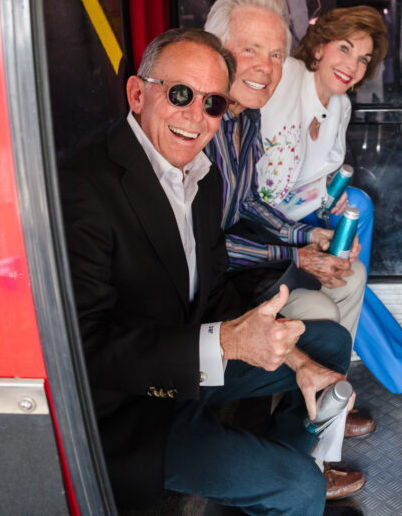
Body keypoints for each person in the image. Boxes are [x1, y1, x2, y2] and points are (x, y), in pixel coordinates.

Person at [60, 28, 354, 514]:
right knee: (303, 488)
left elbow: (211, 289)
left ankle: (270, 460)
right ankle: (279, 478)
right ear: (138, 93)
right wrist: (225, 343)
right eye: (180, 95)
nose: (196, 117)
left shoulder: (202, 175)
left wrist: (294, 359)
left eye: (213, 103)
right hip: (133, 410)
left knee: (329, 346)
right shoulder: (85, 188)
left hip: (193, 370)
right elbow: (84, 353)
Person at [258, 5, 402, 423]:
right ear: (318, 47)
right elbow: (265, 185)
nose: (352, 66)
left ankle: (345, 327)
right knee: (347, 270)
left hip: (308, 215)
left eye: (363, 59)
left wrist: (331, 194)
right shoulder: (285, 86)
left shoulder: (339, 106)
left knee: (357, 204)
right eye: (344, 48)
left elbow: (324, 172)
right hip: (271, 228)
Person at [202, 0, 375, 469]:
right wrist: (295, 254)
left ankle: (323, 418)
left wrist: (308, 237)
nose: (264, 66)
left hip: (254, 258)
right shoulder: (198, 126)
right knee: (320, 311)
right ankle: (306, 449)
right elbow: (210, 246)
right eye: (250, 50)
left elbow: (250, 202)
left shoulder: (245, 119)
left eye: (275, 54)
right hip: (217, 292)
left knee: (351, 273)